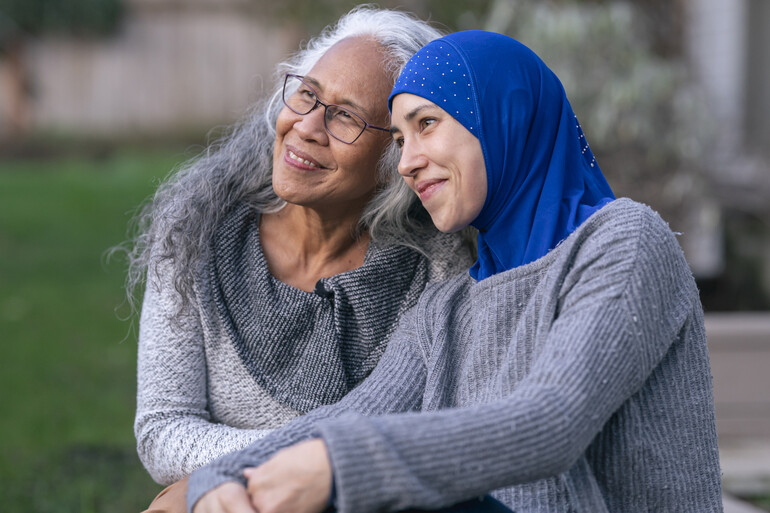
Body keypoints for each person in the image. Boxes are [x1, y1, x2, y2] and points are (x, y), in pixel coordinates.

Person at [187, 31, 723, 513]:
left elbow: (550, 423)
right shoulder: (451, 306)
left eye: (427, 124)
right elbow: (354, 415)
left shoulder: (622, 241)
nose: (407, 162)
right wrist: (213, 480)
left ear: (502, 116)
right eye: (399, 140)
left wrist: (338, 466)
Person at [125, 8, 476, 513]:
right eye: (308, 95)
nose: (307, 126)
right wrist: (296, 460)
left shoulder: (436, 266)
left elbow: (430, 436)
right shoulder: (196, 227)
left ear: (395, 156)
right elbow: (162, 430)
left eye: (347, 116)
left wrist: (323, 474)